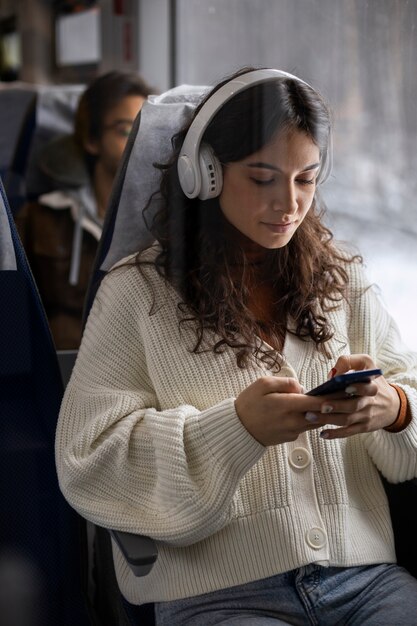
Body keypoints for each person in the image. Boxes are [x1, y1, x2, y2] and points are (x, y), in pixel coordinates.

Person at [55, 67, 417, 625]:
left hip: (365, 580)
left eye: (306, 179)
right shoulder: (137, 294)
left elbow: (409, 386)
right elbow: (89, 460)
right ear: (206, 174)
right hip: (221, 597)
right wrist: (233, 431)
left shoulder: (343, 283)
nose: (289, 203)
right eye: (264, 178)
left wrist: (396, 409)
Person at [15, 70, 155, 349]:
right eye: (126, 130)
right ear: (92, 141)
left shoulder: (163, 223)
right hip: (66, 367)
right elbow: (16, 317)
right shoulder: (39, 219)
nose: (139, 142)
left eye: (148, 130)